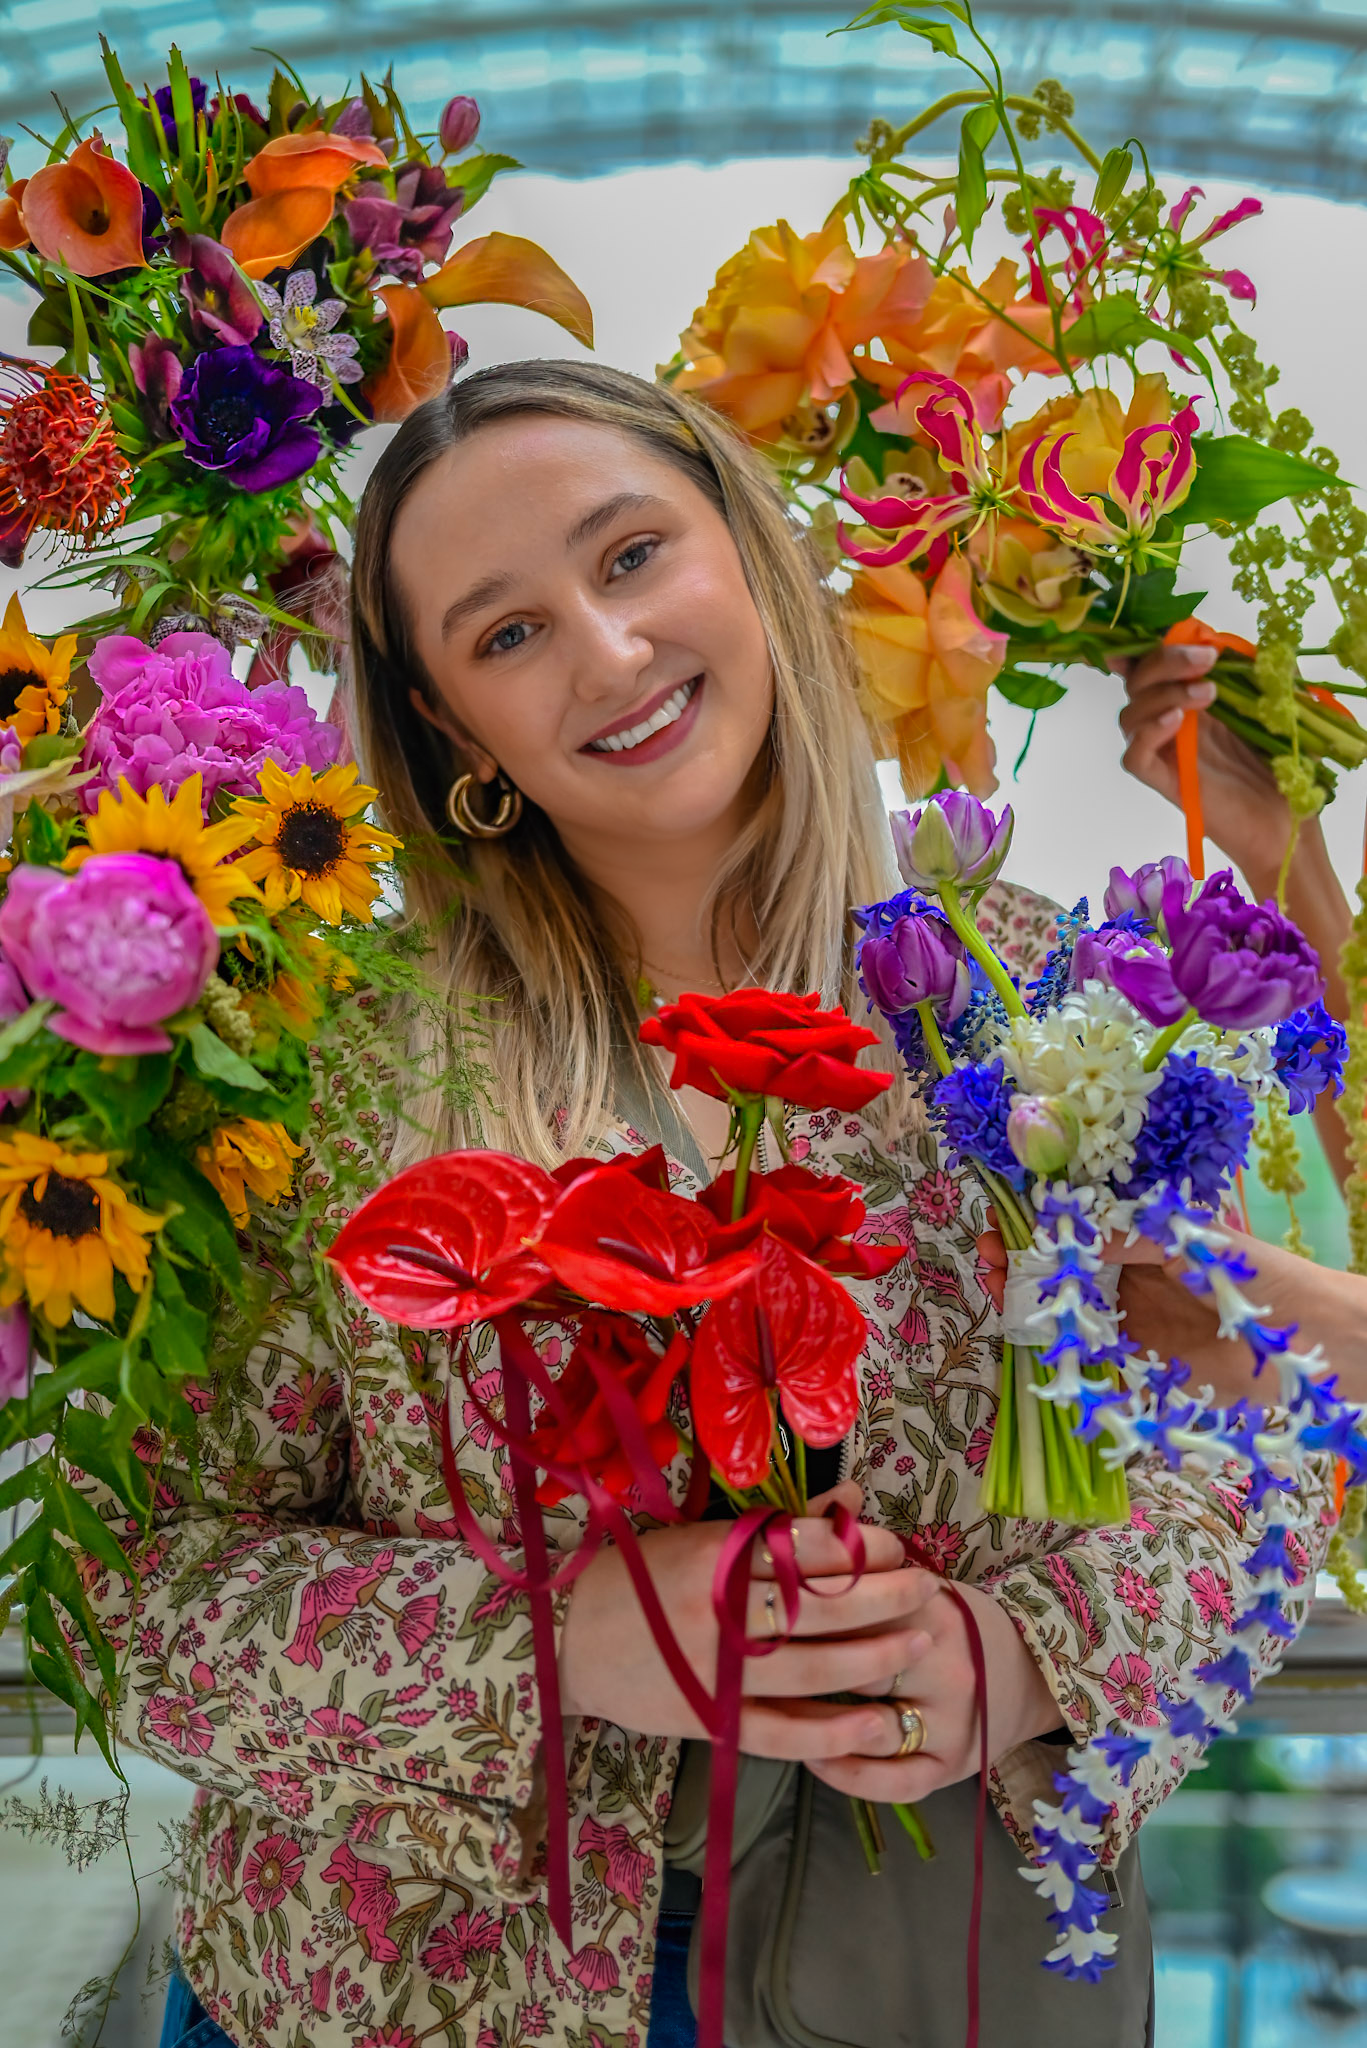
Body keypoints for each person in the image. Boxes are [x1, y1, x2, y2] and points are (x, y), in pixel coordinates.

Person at [76, 363, 1330, 2048]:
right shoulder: (321, 1071)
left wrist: (1031, 1660)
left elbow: (1251, 1452)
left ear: (747, 553)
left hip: (909, 1974)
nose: (606, 656)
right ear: (450, 727)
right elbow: (130, 1598)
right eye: (502, 635)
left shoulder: (1054, 993)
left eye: (629, 556)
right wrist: (558, 1640)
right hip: (389, 1991)